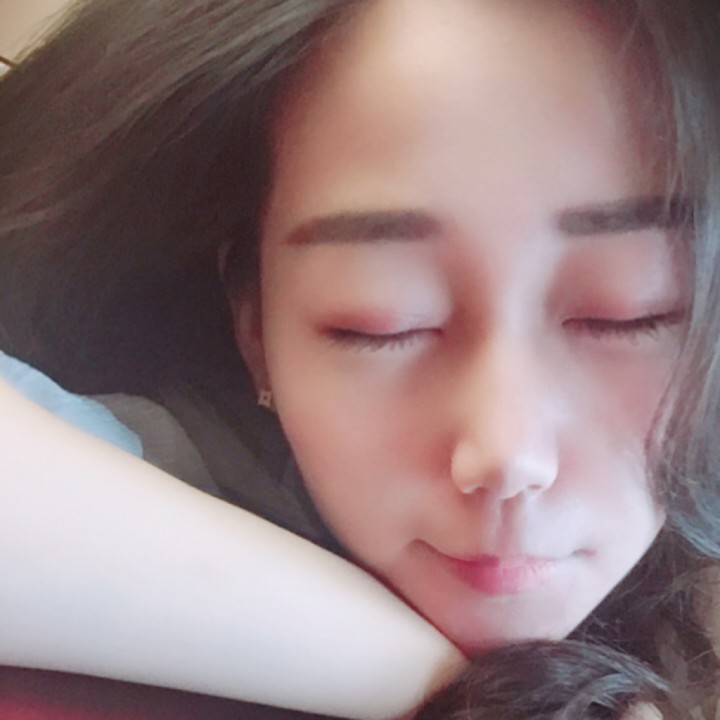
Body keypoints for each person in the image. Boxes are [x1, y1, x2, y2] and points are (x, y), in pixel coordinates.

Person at [1, 0, 720, 718]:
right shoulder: (152, 470)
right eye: (381, 322)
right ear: (254, 328)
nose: (507, 455)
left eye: (628, 312)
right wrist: (422, 675)